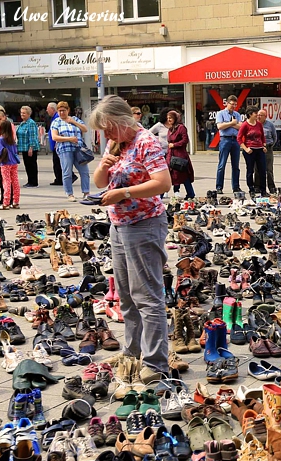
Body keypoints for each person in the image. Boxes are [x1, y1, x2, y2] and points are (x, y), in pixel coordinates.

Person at [89, 95, 172, 384]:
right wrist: (103, 167)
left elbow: (163, 183)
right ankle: (133, 352)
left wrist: (123, 193)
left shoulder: (146, 142)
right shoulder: (118, 142)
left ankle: (156, 362)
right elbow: (101, 183)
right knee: (126, 296)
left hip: (144, 224)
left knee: (147, 296)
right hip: (119, 225)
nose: (105, 135)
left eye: (108, 128)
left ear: (122, 121)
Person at [51, 101, 90, 202]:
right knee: (67, 172)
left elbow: (85, 129)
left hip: (78, 149)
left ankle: (86, 192)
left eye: (63, 110)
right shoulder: (56, 122)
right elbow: (55, 137)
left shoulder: (75, 119)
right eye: (59, 111)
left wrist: (73, 122)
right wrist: (69, 139)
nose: (61, 113)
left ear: (68, 110)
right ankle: (69, 193)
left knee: (84, 171)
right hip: (65, 149)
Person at [237, 107, 268, 197]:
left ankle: (263, 190)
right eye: (255, 113)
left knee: (262, 170)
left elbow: (262, 136)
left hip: (260, 149)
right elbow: (239, 138)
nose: (257, 115)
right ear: (250, 114)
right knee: (250, 170)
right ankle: (251, 189)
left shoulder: (259, 124)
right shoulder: (245, 125)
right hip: (250, 151)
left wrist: (264, 145)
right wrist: (245, 148)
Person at [215, 95, 242, 194]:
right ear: (227, 103)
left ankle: (236, 187)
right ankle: (219, 187)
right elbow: (220, 126)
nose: (233, 106)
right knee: (222, 164)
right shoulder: (220, 113)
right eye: (232, 104)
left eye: (235, 104)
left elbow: (241, 127)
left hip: (235, 140)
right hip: (225, 140)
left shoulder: (237, 114)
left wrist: (229, 124)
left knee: (236, 166)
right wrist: (232, 123)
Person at [166, 110, 195, 200]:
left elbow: (185, 140)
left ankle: (190, 193)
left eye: (170, 118)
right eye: (168, 118)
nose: (169, 120)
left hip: (180, 155)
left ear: (175, 118)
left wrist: (175, 145)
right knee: (169, 175)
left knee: (183, 175)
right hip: (171, 155)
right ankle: (161, 195)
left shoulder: (181, 127)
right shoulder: (170, 129)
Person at [0, 119, 20, 210]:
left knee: (6, 182)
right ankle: (15, 202)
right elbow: (15, 150)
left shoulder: (0, 139)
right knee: (15, 182)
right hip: (14, 162)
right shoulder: (12, 139)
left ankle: (6, 203)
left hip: (5, 162)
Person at [16, 106, 40, 188]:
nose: (22, 114)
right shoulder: (22, 123)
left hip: (29, 148)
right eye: (21, 112)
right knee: (27, 165)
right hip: (23, 147)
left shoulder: (31, 123)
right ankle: (30, 181)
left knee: (31, 165)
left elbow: (33, 136)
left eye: (24, 113)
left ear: (29, 114)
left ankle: (33, 182)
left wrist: (31, 147)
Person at [258, 109, 278, 194]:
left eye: (261, 115)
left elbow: (274, 137)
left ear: (265, 117)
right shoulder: (255, 124)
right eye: (258, 115)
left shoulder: (270, 125)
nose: (259, 117)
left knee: (269, 169)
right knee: (257, 168)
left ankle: (271, 186)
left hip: (268, 148)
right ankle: (257, 186)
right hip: (257, 148)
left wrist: (270, 146)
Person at [45, 102, 64, 186]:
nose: (46, 111)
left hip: (57, 144)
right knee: (57, 162)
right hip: (55, 144)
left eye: (48, 109)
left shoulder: (56, 118)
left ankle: (60, 179)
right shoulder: (54, 118)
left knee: (57, 163)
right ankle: (59, 178)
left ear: (52, 109)